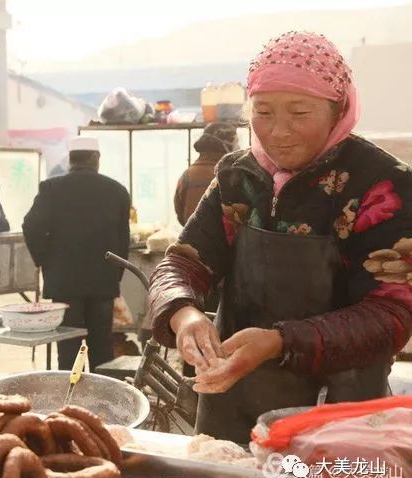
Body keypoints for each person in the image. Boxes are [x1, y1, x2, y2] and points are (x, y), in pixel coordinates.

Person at [147, 31, 412, 443]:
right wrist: (185, 314)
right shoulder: (239, 176)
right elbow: (183, 260)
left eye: (300, 112)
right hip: (233, 406)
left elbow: (390, 315)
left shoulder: (381, 184)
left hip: (338, 413)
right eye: (264, 112)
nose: (278, 131)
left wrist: (278, 341)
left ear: (337, 108)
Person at [23, 136, 131, 370]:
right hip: (103, 282)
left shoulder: (51, 188)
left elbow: (31, 226)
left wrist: (44, 260)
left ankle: (69, 398)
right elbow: (124, 239)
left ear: (71, 159)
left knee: (69, 346)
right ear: (95, 158)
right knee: (102, 346)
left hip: (64, 283)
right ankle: (102, 398)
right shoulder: (117, 191)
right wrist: (116, 274)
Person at [174, 122, 239, 226]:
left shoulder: (187, 176)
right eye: (236, 143)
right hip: (225, 241)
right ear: (226, 145)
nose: (238, 148)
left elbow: (180, 215)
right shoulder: (232, 175)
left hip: (192, 239)